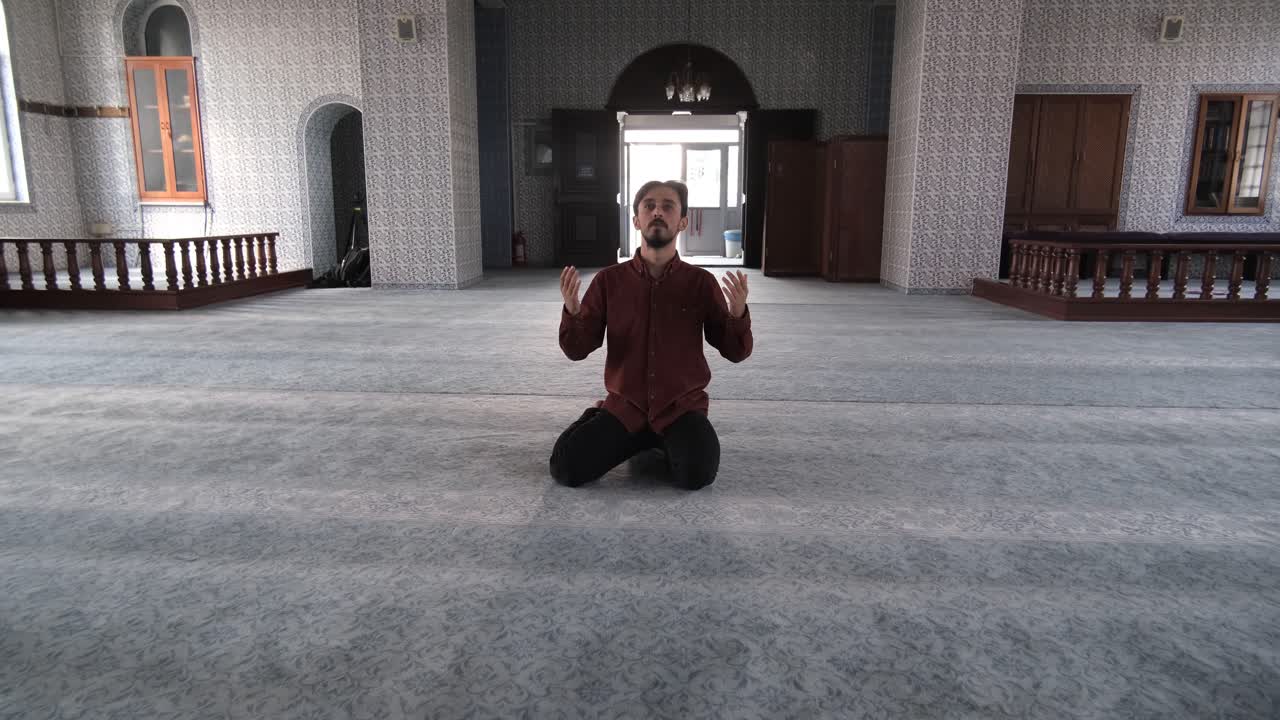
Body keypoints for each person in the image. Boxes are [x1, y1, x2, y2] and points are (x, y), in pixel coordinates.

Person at [549, 179, 753, 490]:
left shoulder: (700, 283)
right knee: (567, 468)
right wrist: (574, 312)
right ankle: (600, 416)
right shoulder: (608, 282)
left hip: (679, 408)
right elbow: (577, 349)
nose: (658, 211)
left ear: (682, 221)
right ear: (636, 220)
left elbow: (735, 351)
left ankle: (660, 440)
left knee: (697, 475)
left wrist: (737, 315)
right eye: (649, 206)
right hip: (625, 408)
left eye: (668, 206)